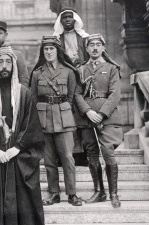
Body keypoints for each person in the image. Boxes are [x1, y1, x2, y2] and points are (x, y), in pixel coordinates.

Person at [0, 46, 45, 225]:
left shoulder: (24, 93)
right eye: (0, 62)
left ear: (14, 65)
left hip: (17, 155)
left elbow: (30, 123)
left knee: (24, 201)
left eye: (8, 62)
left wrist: (17, 147)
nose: (4, 66)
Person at [30, 35, 82, 207]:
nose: (49, 52)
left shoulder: (69, 71)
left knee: (67, 158)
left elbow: (72, 96)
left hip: (64, 119)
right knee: (49, 160)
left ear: (58, 51)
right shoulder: (37, 73)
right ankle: (53, 193)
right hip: (43, 120)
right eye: (46, 49)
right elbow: (33, 98)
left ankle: (72, 194)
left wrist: (66, 113)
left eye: (52, 48)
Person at [74, 34, 122, 208]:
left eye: (98, 44)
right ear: (86, 49)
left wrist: (100, 114)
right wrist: (87, 111)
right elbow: (76, 93)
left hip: (107, 118)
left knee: (108, 152)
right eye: (91, 45)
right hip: (86, 118)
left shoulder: (112, 68)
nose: (94, 48)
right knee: (91, 154)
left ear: (103, 47)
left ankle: (113, 193)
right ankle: (99, 192)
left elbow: (115, 94)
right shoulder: (80, 70)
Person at [53, 7, 89, 166]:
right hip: (63, 78)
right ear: (60, 21)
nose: (67, 20)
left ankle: (83, 154)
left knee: (81, 114)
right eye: (64, 18)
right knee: (65, 114)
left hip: (82, 79)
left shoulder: (84, 37)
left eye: (70, 17)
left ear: (75, 20)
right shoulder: (55, 39)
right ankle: (64, 154)